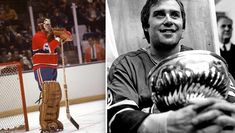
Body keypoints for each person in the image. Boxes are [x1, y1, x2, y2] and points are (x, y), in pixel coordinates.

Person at [107, 0, 235, 133]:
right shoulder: (126, 65)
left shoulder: (207, 63)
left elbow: (232, 103)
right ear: (146, 25)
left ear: (183, 26)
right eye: (159, 14)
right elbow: (117, 117)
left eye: (174, 15)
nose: (168, 21)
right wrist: (167, 123)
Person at [32, 17, 71, 132]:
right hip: (42, 67)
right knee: (47, 93)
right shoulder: (38, 36)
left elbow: (69, 36)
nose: (49, 26)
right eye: (46, 24)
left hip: (52, 66)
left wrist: (63, 33)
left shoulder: (51, 35)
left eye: (50, 24)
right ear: (40, 25)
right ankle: (45, 121)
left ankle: (52, 119)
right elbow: (48, 48)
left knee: (54, 94)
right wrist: (58, 39)